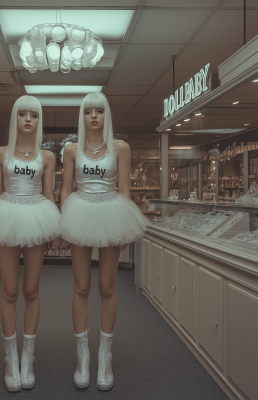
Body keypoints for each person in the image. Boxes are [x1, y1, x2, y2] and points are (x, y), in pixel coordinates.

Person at [60, 92, 149, 391]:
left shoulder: (121, 148)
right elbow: (65, 189)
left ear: (106, 115)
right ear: (82, 117)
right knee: (81, 286)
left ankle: (105, 355)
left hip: (111, 211)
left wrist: (123, 226)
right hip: (80, 212)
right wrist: (63, 220)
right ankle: (82, 355)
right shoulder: (72, 149)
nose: (94, 116)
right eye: (88, 112)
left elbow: (124, 189)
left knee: (107, 286)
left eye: (99, 111)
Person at [0, 95, 60, 392]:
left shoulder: (46, 157)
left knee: (31, 290)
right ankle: (11, 358)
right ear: (15, 118)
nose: (28, 119)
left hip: (38, 216)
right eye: (22, 114)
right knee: (9, 290)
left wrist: (53, 228)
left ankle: (29, 356)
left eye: (33, 115)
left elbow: (50, 195)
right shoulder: (1, 153)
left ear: (38, 121)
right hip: (7, 216)